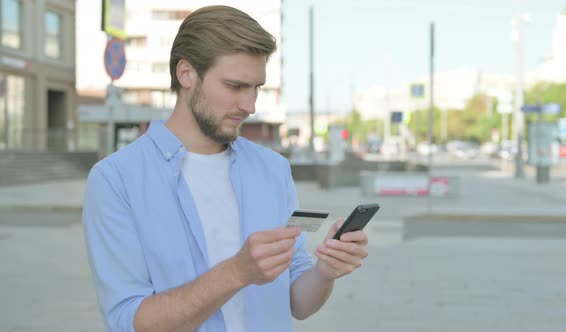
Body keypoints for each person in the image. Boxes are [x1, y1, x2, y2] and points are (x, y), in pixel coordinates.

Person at [83, 5, 369, 332]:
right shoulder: (116, 179)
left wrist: (324, 271)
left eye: (256, 88)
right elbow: (129, 322)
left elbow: (297, 303)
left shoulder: (272, 169)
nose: (250, 106)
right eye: (235, 86)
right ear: (186, 73)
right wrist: (236, 272)